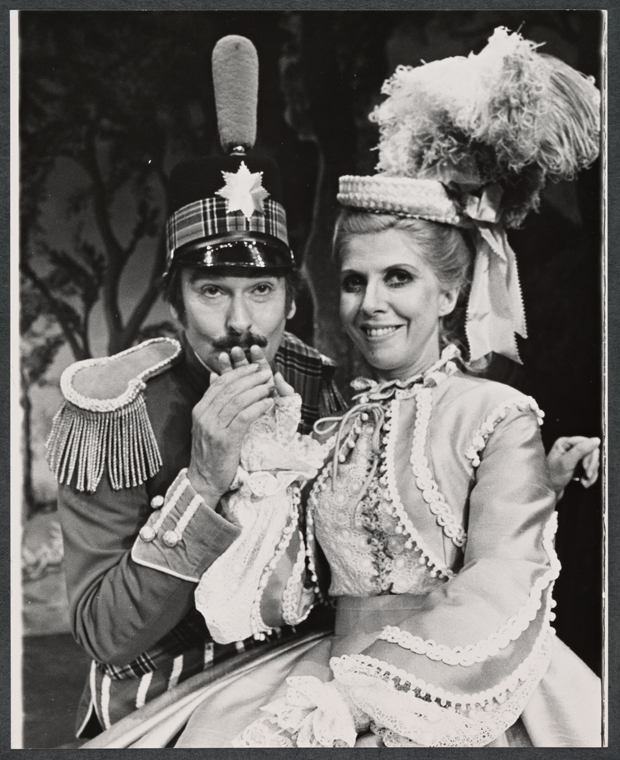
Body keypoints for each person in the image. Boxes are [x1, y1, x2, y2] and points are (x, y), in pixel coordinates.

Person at [158, 27, 601, 747]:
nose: (371, 304)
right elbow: (283, 600)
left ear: (449, 293)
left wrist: (361, 703)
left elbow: (499, 585)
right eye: (355, 281)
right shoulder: (333, 427)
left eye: (399, 278)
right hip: (324, 674)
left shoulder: (496, 415)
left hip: (455, 693)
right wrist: (261, 479)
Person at [46, 36, 344, 738]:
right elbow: (104, 636)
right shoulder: (113, 411)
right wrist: (204, 484)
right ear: (174, 303)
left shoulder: (315, 384)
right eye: (212, 290)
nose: (241, 323)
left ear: (292, 299)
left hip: (295, 687)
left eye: (262, 290)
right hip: (162, 710)